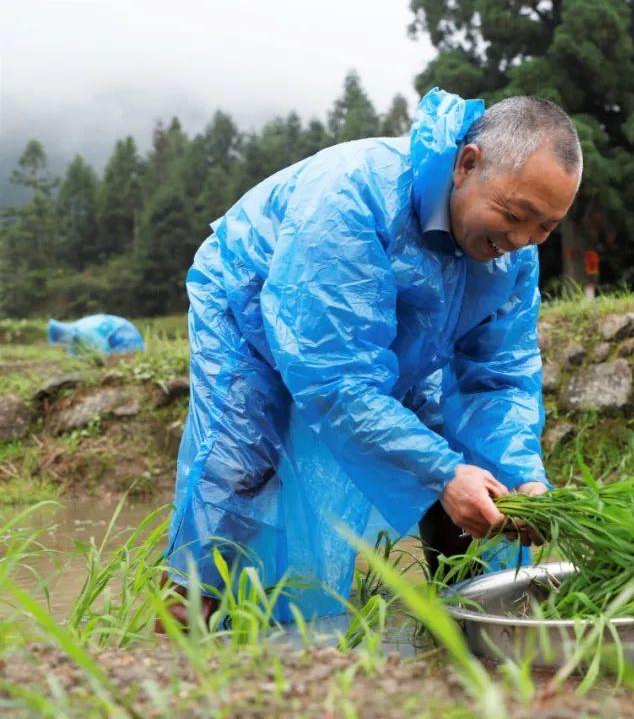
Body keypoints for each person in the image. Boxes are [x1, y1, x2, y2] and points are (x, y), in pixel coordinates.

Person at [161, 88, 582, 625]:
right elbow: (335, 379)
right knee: (240, 461)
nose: (523, 239)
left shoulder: (514, 256)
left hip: (391, 335)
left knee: (463, 456)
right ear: (467, 165)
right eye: (516, 214)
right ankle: (175, 639)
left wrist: (524, 477)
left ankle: (470, 623)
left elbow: (497, 380)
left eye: (545, 227)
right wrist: (443, 473)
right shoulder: (350, 199)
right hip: (251, 309)